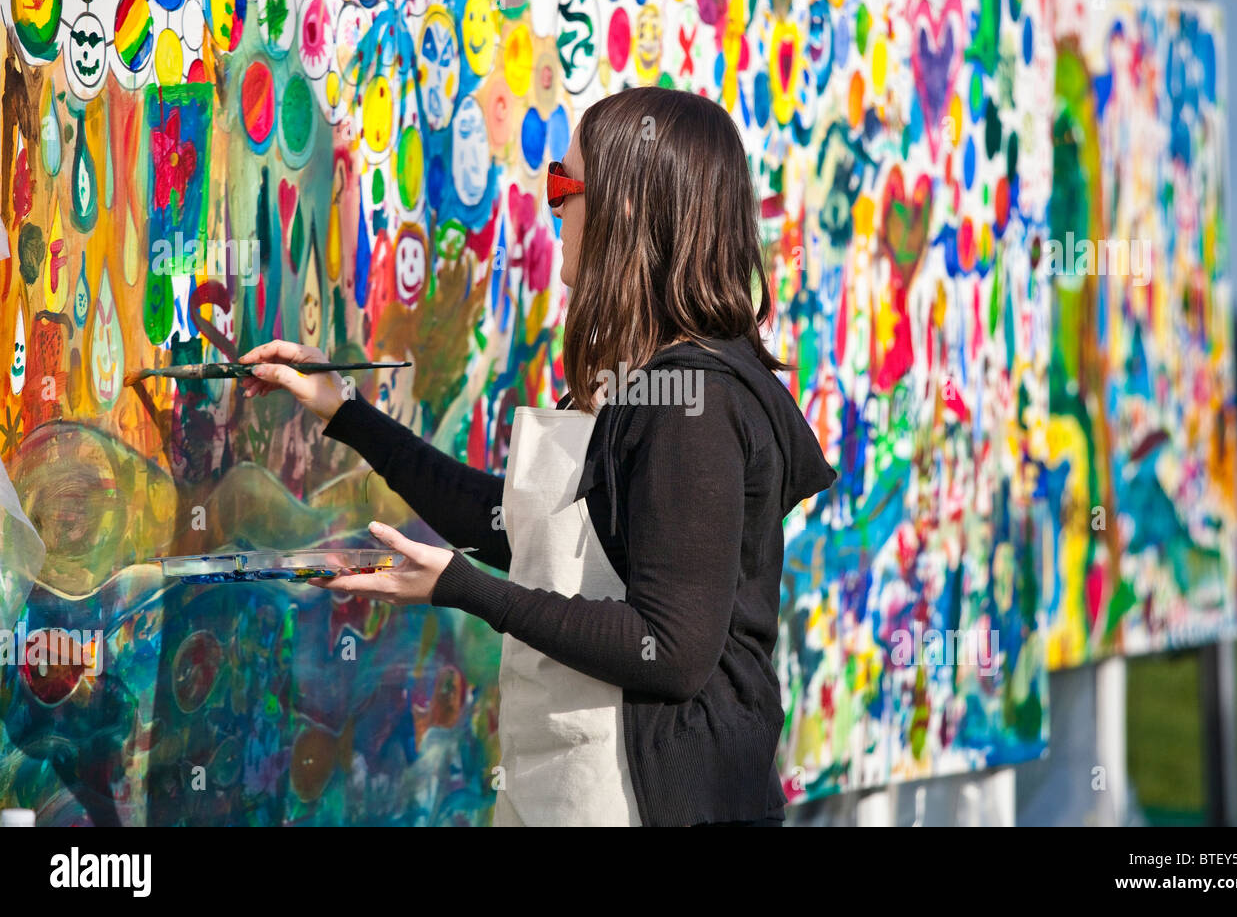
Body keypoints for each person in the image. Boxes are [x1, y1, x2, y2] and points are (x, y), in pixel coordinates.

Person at [239, 86, 837, 827]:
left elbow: (671, 650)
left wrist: (464, 588)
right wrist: (346, 412)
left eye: (564, 184)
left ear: (625, 209)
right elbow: (514, 525)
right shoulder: (659, 382)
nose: (554, 208)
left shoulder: (694, 405)